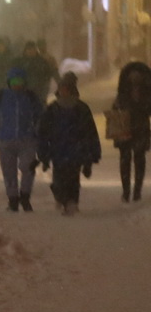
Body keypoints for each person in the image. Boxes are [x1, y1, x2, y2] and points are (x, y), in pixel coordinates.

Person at [38, 71, 103, 217]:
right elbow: (43, 132)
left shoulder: (81, 108)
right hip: (58, 151)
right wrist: (43, 154)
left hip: (75, 151)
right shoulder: (52, 109)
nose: (63, 92)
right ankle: (63, 199)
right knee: (59, 177)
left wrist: (92, 155)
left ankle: (71, 202)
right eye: (61, 89)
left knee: (73, 178)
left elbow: (90, 132)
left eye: (66, 89)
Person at [0, 68, 42, 212]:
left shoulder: (31, 97)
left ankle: (25, 196)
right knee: (9, 172)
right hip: (5, 141)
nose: (17, 85)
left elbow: (41, 117)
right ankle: (13, 199)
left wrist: (36, 131)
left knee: (28, 168)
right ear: (9, 82)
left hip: (27, 140)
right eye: (14, 81)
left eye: (20, 81)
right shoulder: (0, 96)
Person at [109, 62, 151, 202]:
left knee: (127, 158)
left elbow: (117, 106)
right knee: (137, 158)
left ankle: (128, 191)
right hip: (139, 125)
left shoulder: (123, 93)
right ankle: (133, 191)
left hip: (127, 125)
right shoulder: (145, 93)